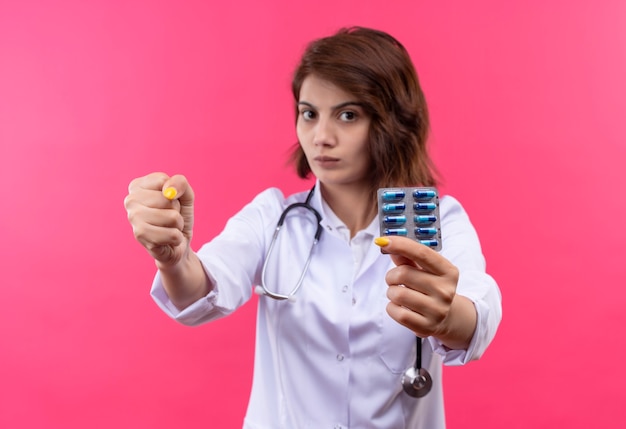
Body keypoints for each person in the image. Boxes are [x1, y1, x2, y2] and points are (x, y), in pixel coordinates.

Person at [124, 26, 502, 429]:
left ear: (393, 122)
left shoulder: (437, 222)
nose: (321, 137)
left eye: (348, 114)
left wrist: (447, 317)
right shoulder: (272, 218)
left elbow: (478, 313)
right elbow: (201, 289)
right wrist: (173, 257)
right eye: (309, 114)